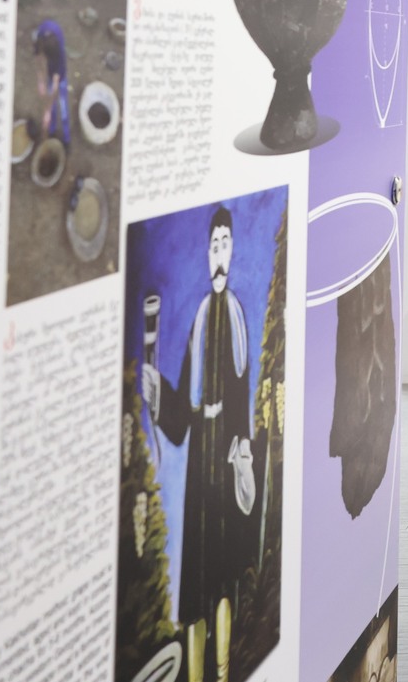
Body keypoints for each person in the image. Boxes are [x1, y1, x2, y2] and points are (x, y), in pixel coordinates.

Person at [143, 206, 258, 682]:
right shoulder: (199, 317)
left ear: (233, 251)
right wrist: (158, 394)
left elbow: (242, 399)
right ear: (207, 253)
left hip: (225, 456)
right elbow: (181, 418)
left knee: (223, 579)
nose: (219, 253)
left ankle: (223, 673)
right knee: (196, 587)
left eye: (225, 243)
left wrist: (243, 457)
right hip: (199, 461)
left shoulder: (236, 316)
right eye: (214, 245)